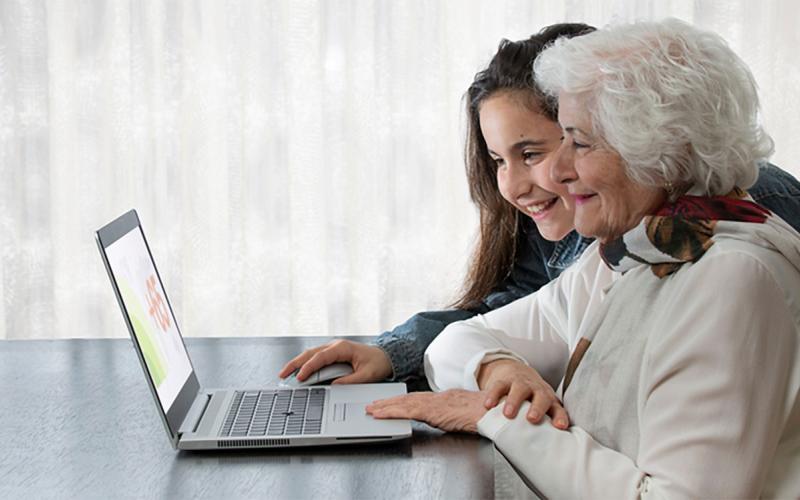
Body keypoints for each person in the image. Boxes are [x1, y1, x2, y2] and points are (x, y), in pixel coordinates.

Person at [280, 23, 800, 426]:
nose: (516, 185)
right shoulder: (593, 245)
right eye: (498, 161)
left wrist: (500, 421)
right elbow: (500, 316)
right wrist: (402, 354)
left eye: (533, 152)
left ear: (624, 129)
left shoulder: (740, 222)